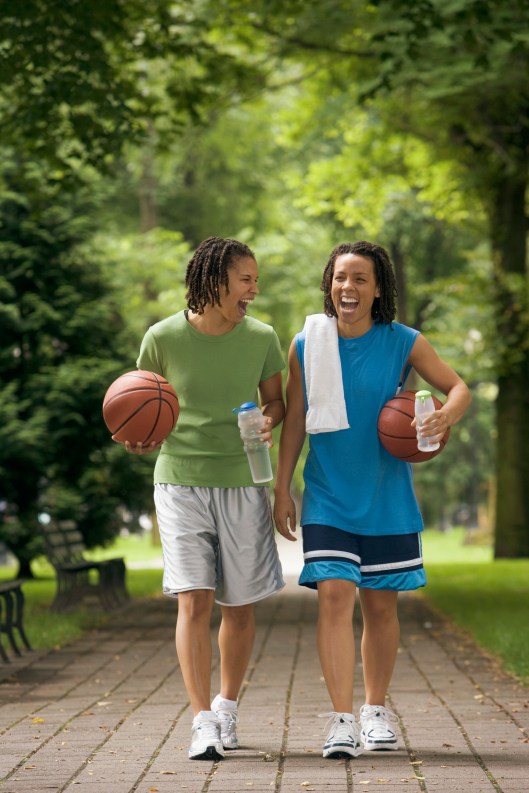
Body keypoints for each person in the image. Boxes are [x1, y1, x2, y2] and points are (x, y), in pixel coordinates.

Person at [273, 240, 471, 759]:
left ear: (377, 288)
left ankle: (375, 710)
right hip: (328, 495)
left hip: (386, 496)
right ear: (328, 285)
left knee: (381, 607)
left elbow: (458, 389)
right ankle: (341, 720)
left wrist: (442, 417)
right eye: (341, 278)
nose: (348, 288)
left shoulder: (403, 341)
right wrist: (281, 487)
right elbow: (294, 420)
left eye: (360, 279)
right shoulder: (305, 344)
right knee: (336, 597)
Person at [123, 236, 286, 761]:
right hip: (180, 480)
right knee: (193, 597)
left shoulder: (261, 337)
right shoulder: (162, 337)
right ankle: (200, 721)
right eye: (246, 280)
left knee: (237, 605)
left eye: (255, 281)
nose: (254, 291)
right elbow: (143, 407)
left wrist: (267, 421)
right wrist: (137, 438)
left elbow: (277, 401)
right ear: (215, 282)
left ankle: (227, 707)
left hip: (243, 480)